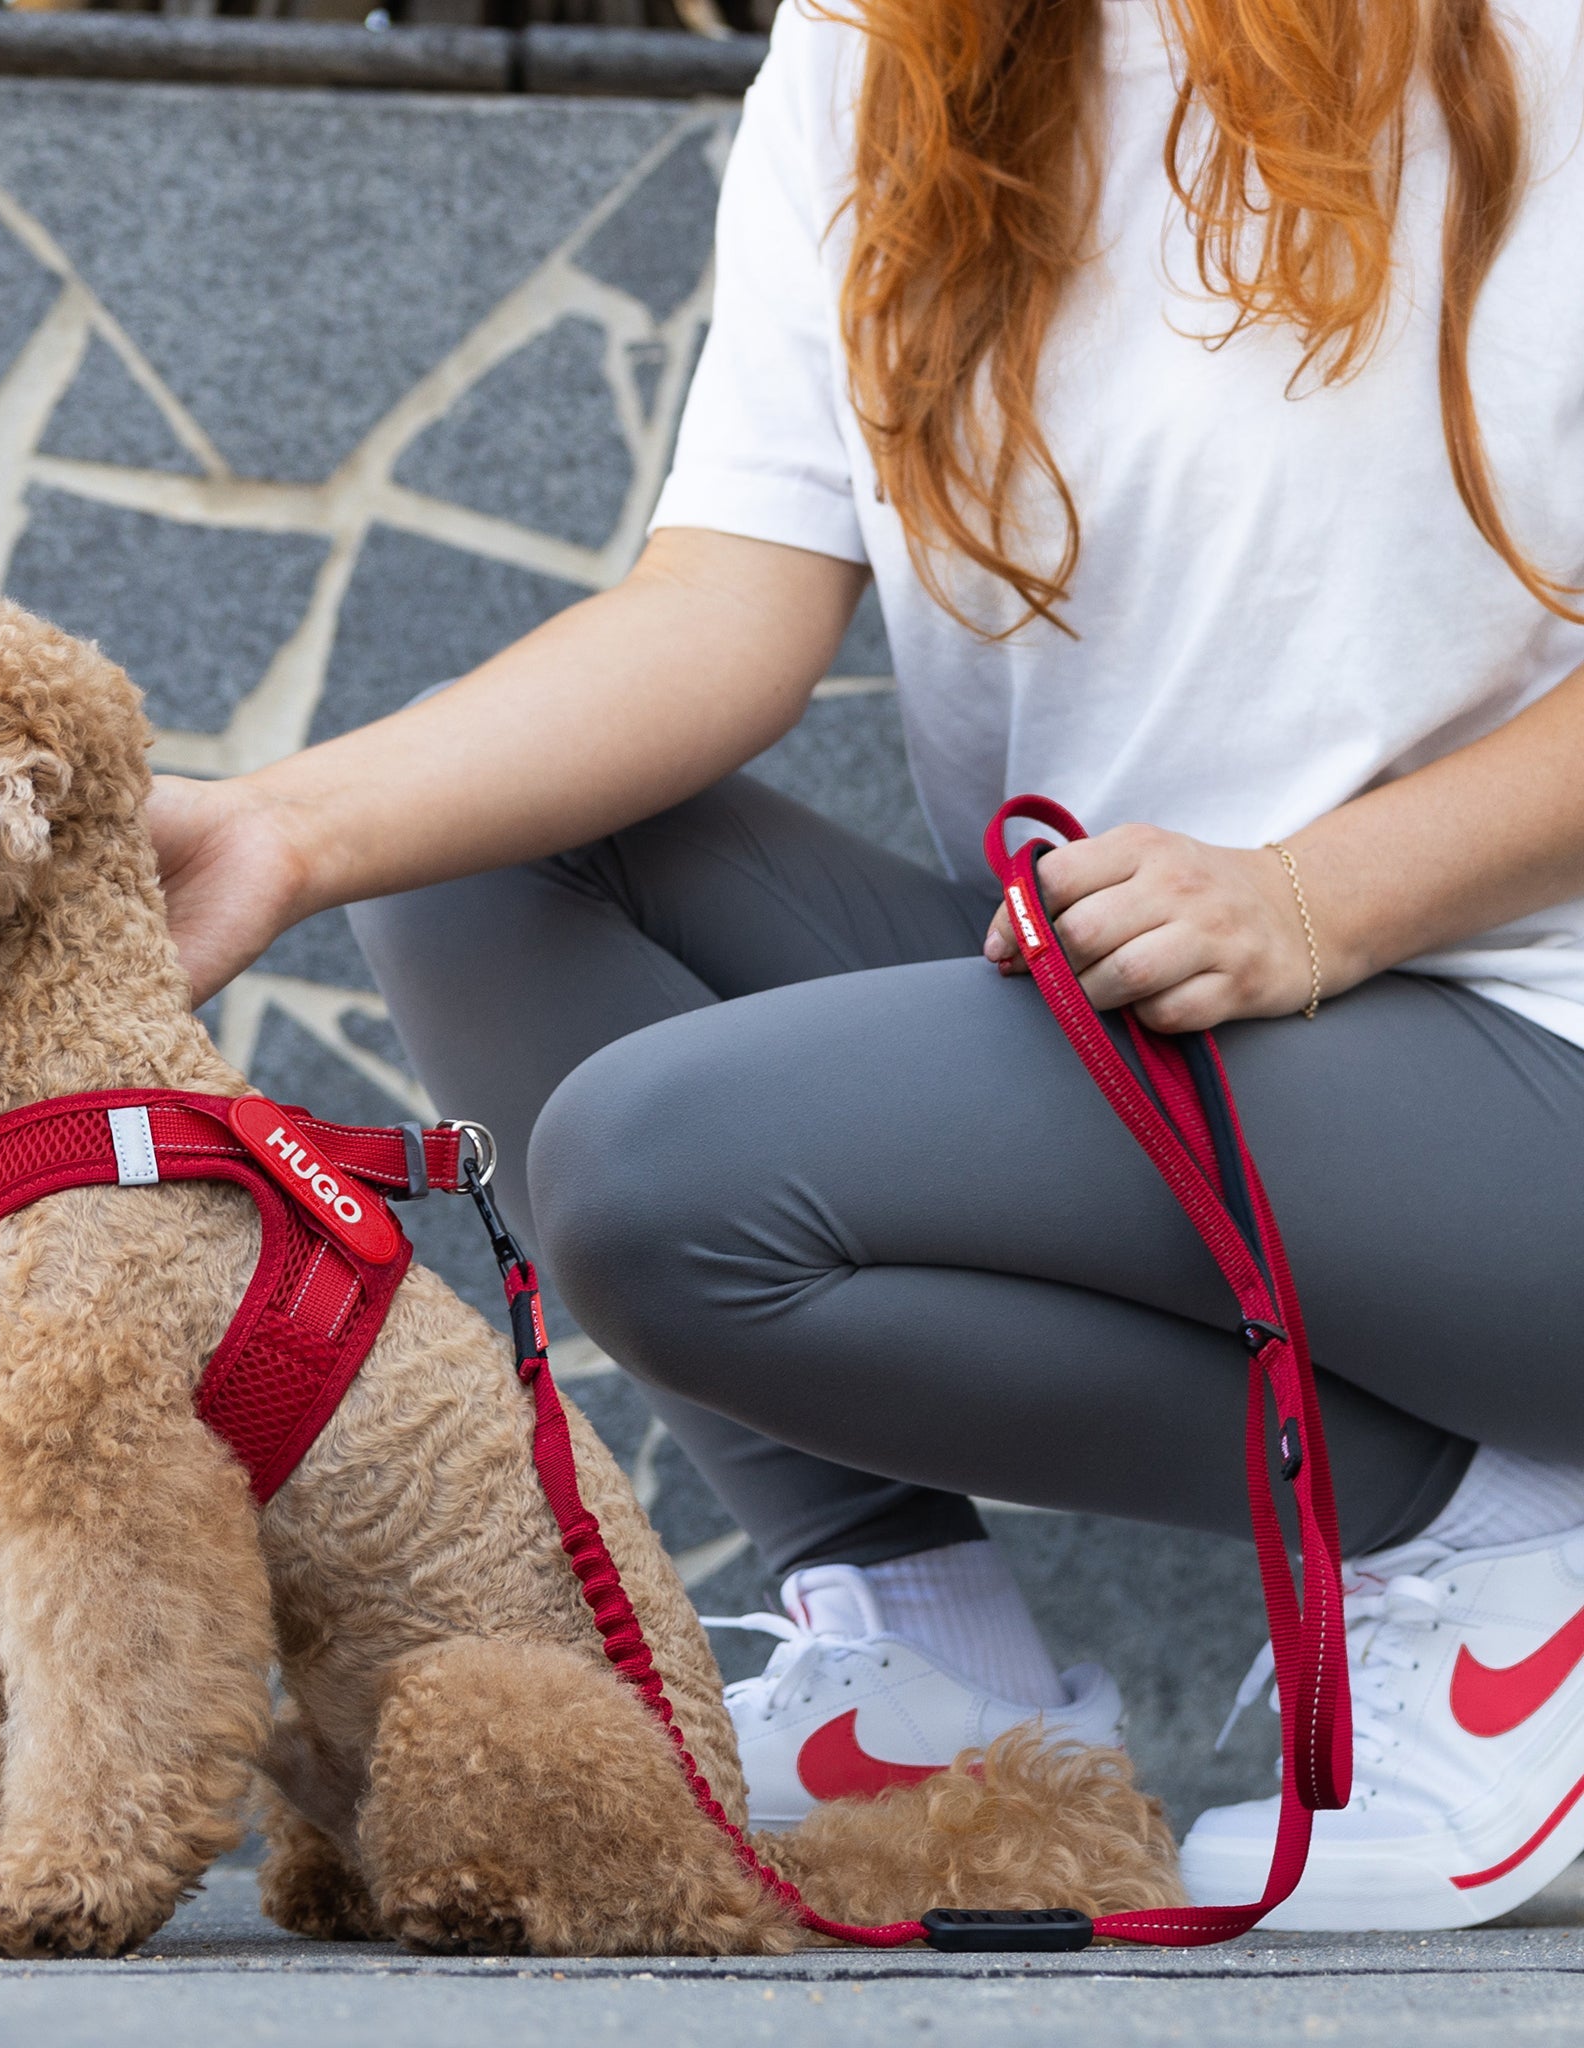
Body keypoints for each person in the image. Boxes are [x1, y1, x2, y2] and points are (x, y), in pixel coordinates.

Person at [148, 0, 1584, 1930]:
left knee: (665, 1180)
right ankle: (928, 1661)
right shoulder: (886, 51)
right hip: (1168, 1007)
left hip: (1531, 1058)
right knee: (464, 850)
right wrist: (286, 829)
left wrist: (1315, 896)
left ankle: (1500, 1547)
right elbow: (724, 601)